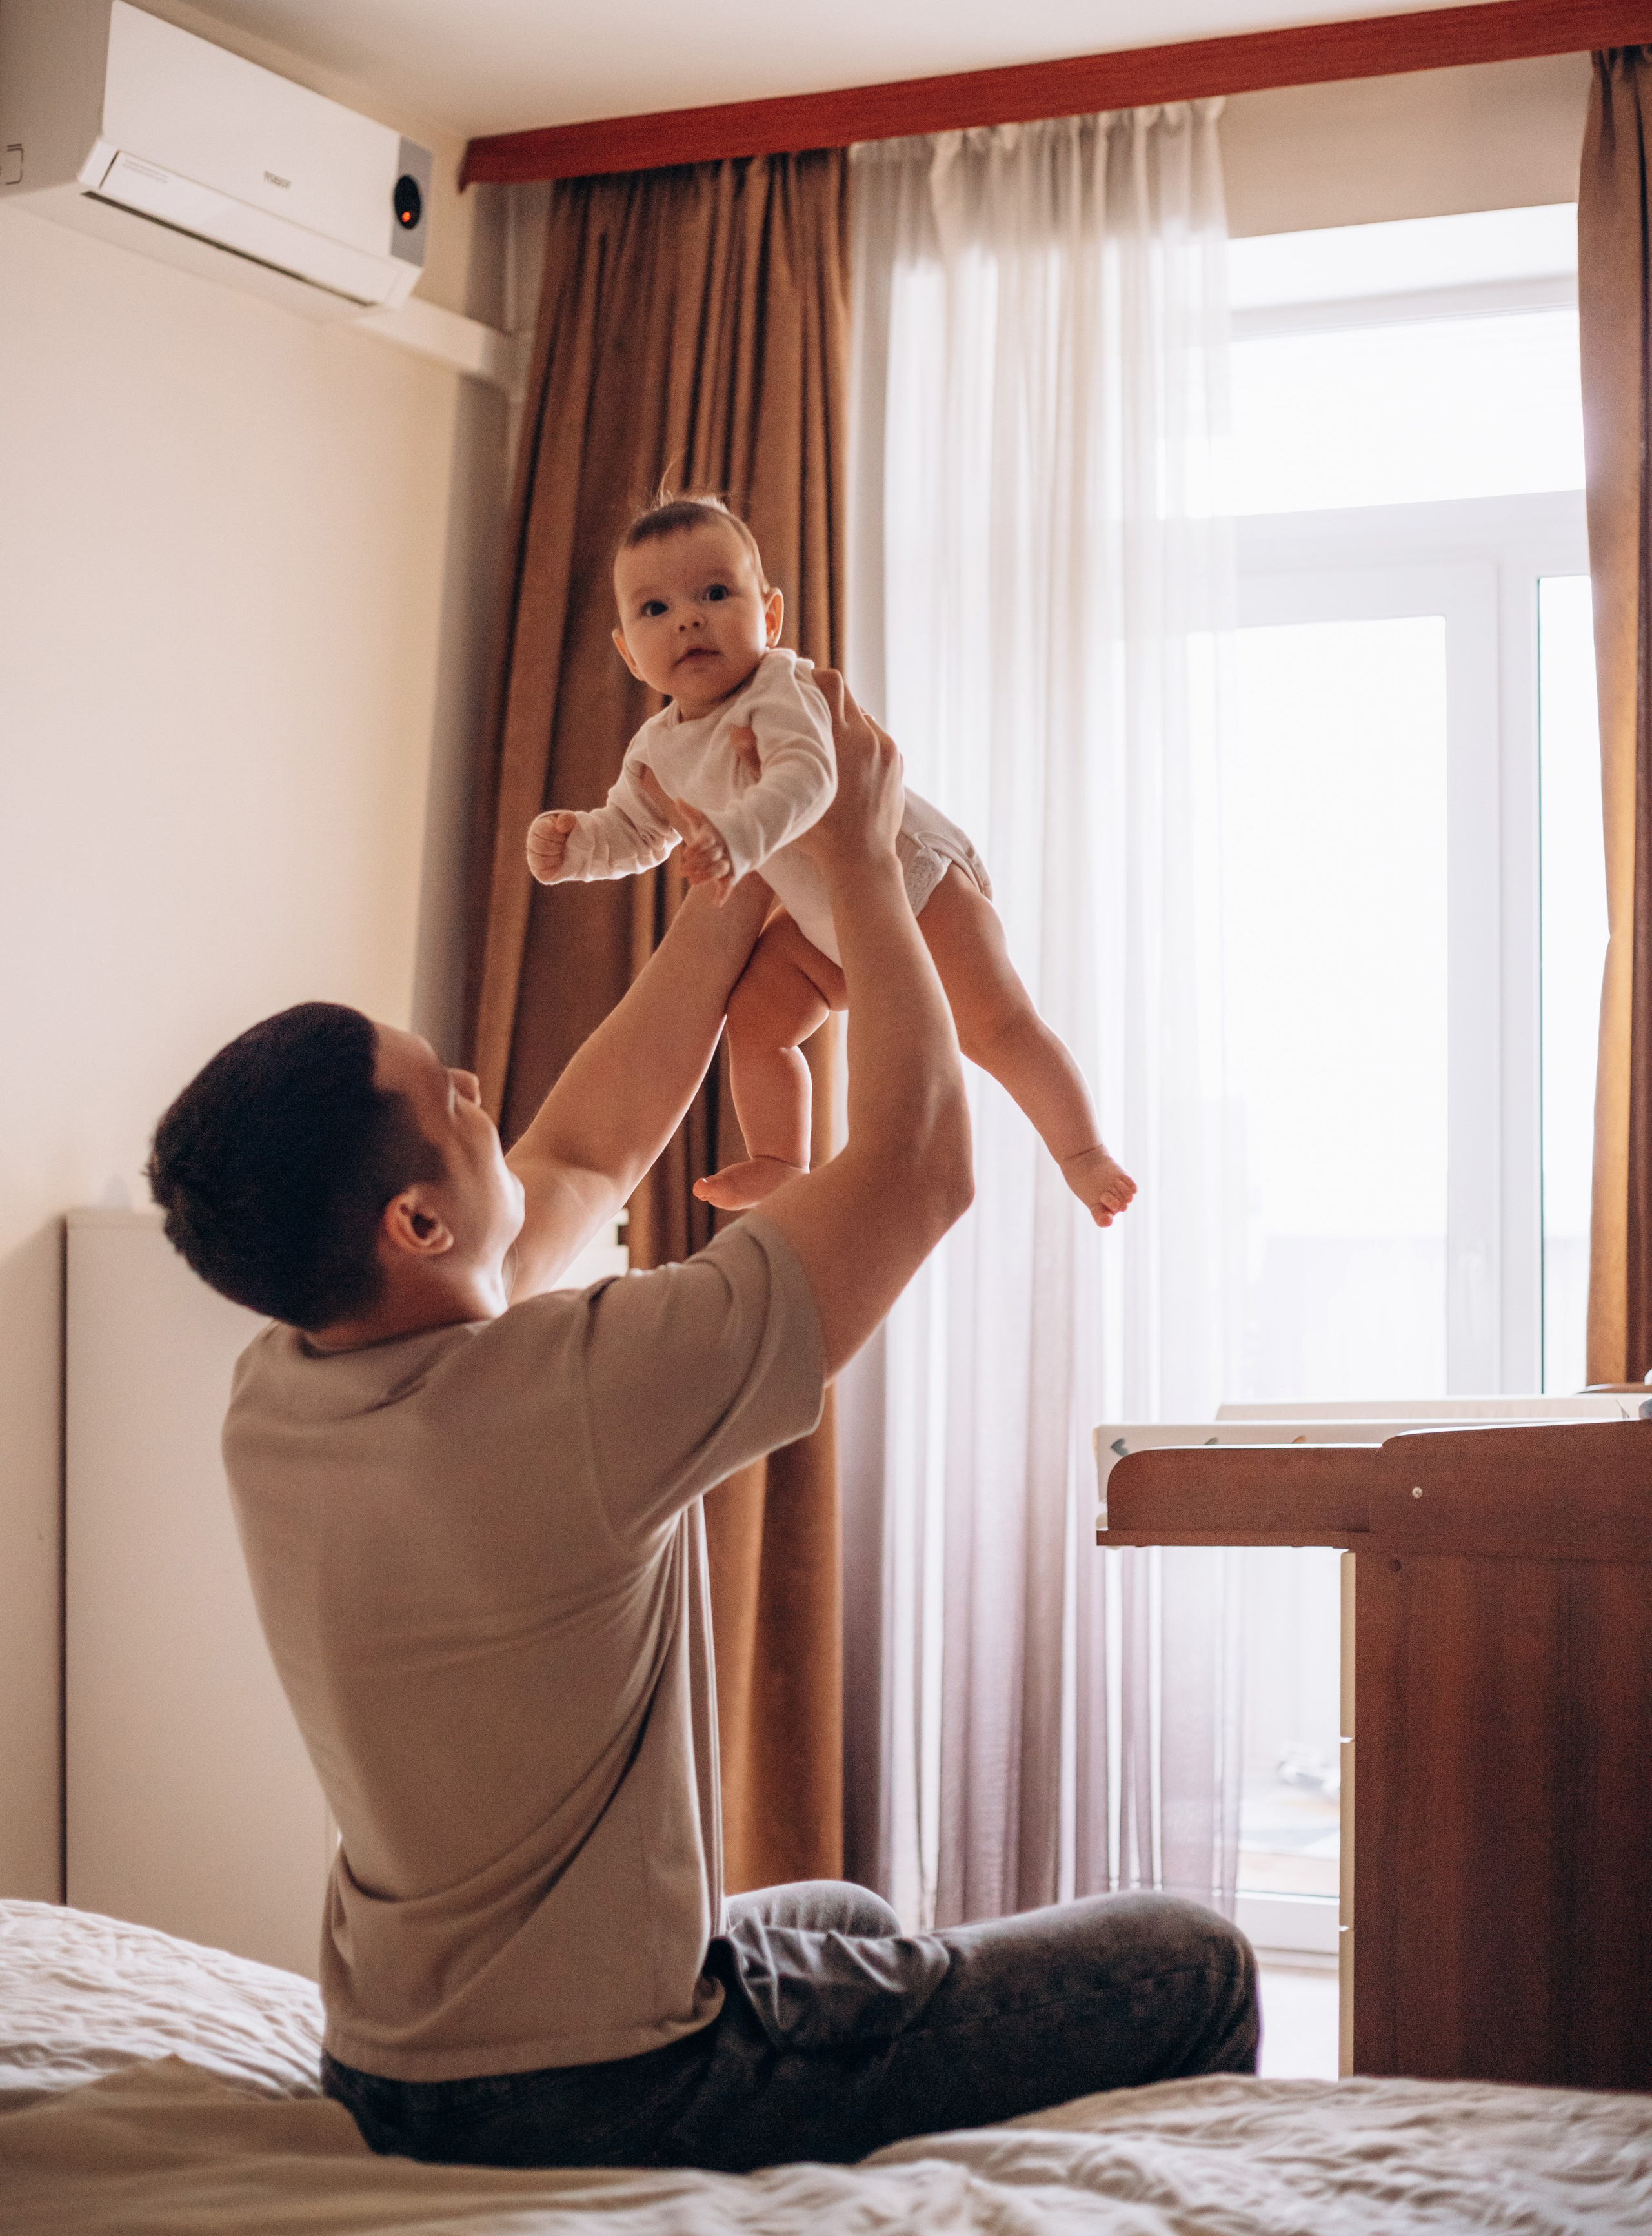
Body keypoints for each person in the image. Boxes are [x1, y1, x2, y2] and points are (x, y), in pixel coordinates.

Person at [147, 677, 1255, 2174]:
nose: (482, 1089)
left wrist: (736, 889)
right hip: (607, 2078)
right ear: (413, 1218)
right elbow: (920, 1164)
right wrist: (859, 859)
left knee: (846, 1917)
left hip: (396, 2056)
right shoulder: (576, 1398)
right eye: (448, 1093)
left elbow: (587, 1149)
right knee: (1188, 1958)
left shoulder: (280, 1387)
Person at [528, 494, 1138, 1225]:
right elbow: (638, 829)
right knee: (757, 1017)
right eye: (654, 609)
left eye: (715, 594)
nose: (688, 617)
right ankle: (784, 1160)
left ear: (771, 617)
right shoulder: (657, 747)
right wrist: (578, 849)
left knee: (994, 1025)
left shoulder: (778, 689)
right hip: (824, 918)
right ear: (629, 652)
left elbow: (808, 780)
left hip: (913, 875)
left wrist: (737, 841)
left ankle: (1082, 1153)